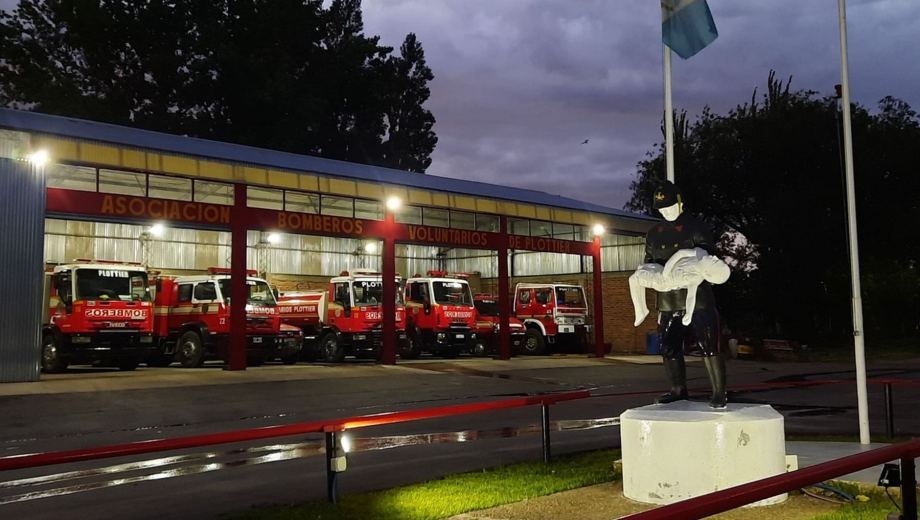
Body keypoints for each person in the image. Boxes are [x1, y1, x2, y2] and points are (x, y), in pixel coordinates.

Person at [638, 181, 729, 409]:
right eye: (661, 209)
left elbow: (709, 257)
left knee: (709, 344)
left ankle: (719, 392)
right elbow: (649, 261)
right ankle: (677, 389)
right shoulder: (654, 233)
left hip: (698, 296)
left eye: (669, 206)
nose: (666, 212)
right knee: (668, 346)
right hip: (668, 299)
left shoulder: (695, 227)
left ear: (680, 202)